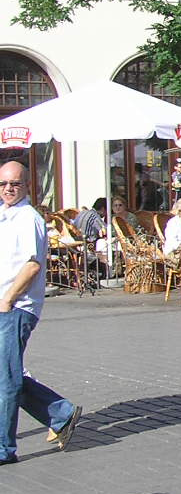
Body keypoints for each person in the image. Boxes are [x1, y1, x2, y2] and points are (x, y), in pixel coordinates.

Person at [0, 161, 81, 464]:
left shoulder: (27, 218)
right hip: (6, 305)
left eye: (15, 183)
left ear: (26, 186)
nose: (8, 188)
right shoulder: (5, 216)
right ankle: (61, 413)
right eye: (4, 183)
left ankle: (4, 449)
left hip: (17, 307)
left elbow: (32, 265)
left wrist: (8, 299)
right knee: (4, 375)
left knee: (6, 379)